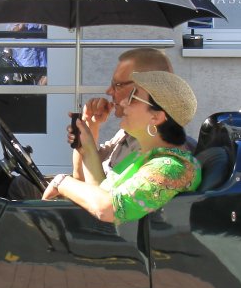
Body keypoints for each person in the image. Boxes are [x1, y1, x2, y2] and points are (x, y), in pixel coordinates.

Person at [42, 70, 201, 222]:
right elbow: (100, 191)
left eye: (133, 97)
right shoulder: (143, 156)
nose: (123, 102)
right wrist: (87, 144)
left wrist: (62, 182)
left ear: (156, 117)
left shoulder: (172, 167)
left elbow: (108, 208)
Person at [68, 47, 174, 181]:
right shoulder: (128, 134)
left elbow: (103, 194)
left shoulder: (157, 153)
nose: (108, 91)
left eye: (117, 85)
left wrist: (62, 182)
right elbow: (81, 176)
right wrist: (90, 124)